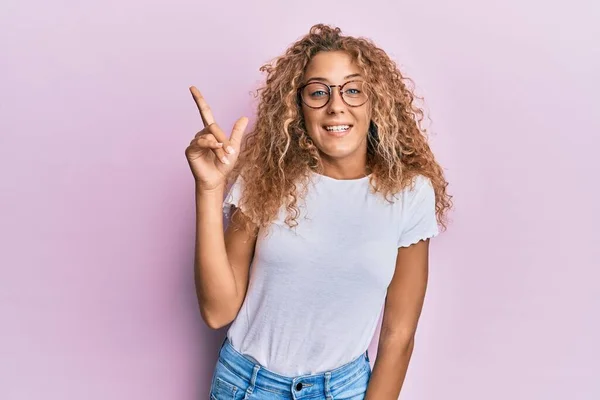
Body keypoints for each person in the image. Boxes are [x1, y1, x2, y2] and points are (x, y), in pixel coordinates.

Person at [185, 24, 451, 400]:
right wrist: (209, 190)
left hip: (342, 390)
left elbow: (398, 335)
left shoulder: (410, 194)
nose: (336, 105)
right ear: (298, 106)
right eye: (318, 92)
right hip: (246, 386)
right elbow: (217, 311)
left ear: (376, 103)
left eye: (353, 90)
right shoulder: (266, 179)